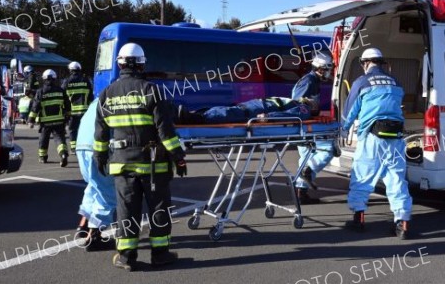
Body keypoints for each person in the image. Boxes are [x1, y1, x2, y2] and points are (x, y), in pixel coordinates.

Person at [94, 42, 188, 272]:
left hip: (121, 164)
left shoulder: (106, 94)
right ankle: (160, 254)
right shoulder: (151, 90)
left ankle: (126, 257)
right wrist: (179, 157)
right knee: (158, 208)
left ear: (120, 64)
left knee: (127, 209)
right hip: (152, 165)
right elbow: (166, 133)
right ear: (142, 64)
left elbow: (100, 132)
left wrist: (100, 156)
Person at [341, 48, 412, 239]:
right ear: (381, 63)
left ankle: (359, 218)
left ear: (365, 63)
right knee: (397, 179)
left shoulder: (362, 82)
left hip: (372, 138)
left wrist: (342, 130)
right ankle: (402, 223)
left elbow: (350, 111)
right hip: (396, 137)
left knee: (362, 177)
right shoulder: (396, 82)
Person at [291, 51, 334, 204]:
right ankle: (307, 172)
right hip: (305, 126)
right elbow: (297, 104)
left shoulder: (313, 81)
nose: (329, 73)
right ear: (320, 68)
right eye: (328, 69)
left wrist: (317, 114)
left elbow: (309, 105)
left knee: (306, 157)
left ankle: (301, 194)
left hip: (306, 124)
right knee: (329, 149)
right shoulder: (309, 81)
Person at [75, 98, 117, 251]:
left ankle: (83, 226)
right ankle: (94, 236)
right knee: (107, 193)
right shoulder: (119, 98)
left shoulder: (98, 100)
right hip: (98, 148)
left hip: (82, 147)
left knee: (94, 187)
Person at [28, 69, 71, 167]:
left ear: (44, 79)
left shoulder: (40, 91)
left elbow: (35, 107)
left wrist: (31, 120)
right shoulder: (61, 91)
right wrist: (68, 116)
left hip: (45, 122)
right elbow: (67, 105)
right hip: (59, 121)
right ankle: (63, 154)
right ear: (55, 78)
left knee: (44, 139)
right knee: (60, 139)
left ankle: (43, 157)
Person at [176, 97, 314, 124]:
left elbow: (292, 116)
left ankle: (195, 117)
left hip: (259, 109)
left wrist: (269, 116)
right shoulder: (295, 101)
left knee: (230, 113)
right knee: (230, 110)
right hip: (257, 105)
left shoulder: (305, 108)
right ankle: (195, 115)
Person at [62, 61, 94, 154]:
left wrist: (64, 110)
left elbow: (63, 95)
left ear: (70, 70)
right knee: (85, 129)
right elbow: (91, 95)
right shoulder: (85, 80)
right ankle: (86, 146)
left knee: (72, 129)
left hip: (72, 111)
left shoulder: (67, 81)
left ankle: (73, 148)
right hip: (85, 110)